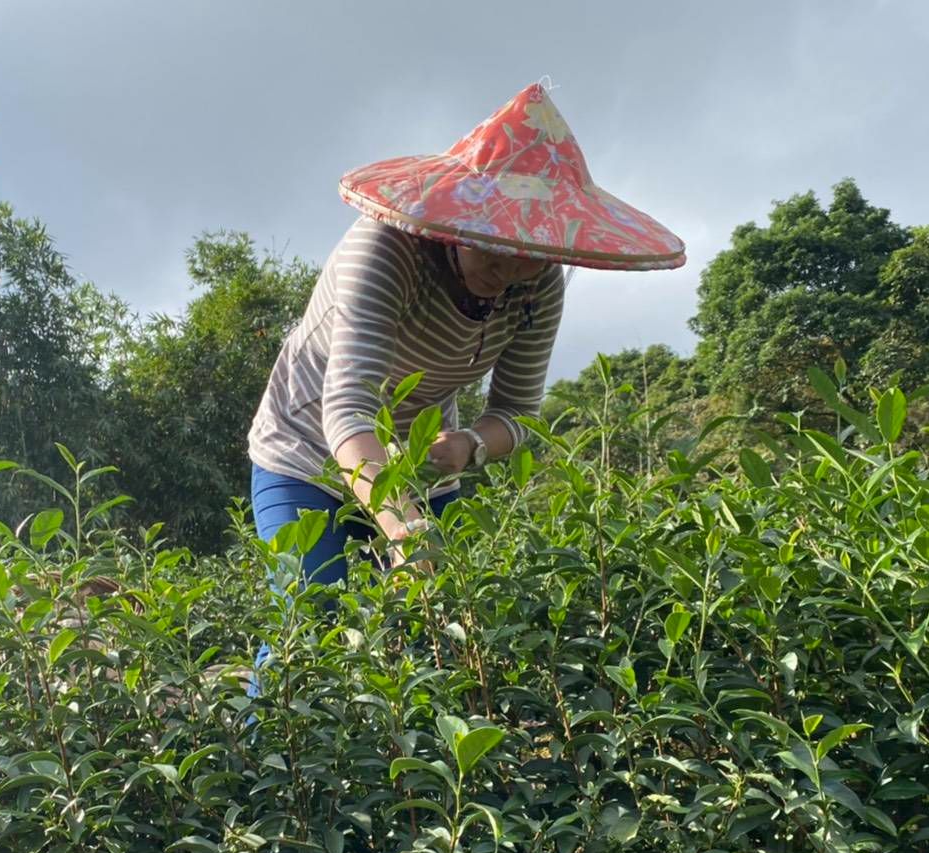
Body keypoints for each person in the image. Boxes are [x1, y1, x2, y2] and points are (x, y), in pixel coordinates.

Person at [246, 80, 685, 595]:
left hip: (421, 467)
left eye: (530, 250)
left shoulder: (535, 284)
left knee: (433, 628)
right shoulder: (385, 251)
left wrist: (470, 446)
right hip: (306, 452)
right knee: (312, 615)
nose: (508, 266)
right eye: (493, 244)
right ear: (455, 224)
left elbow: (519, 412)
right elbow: (348, 408)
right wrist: (405, 532)